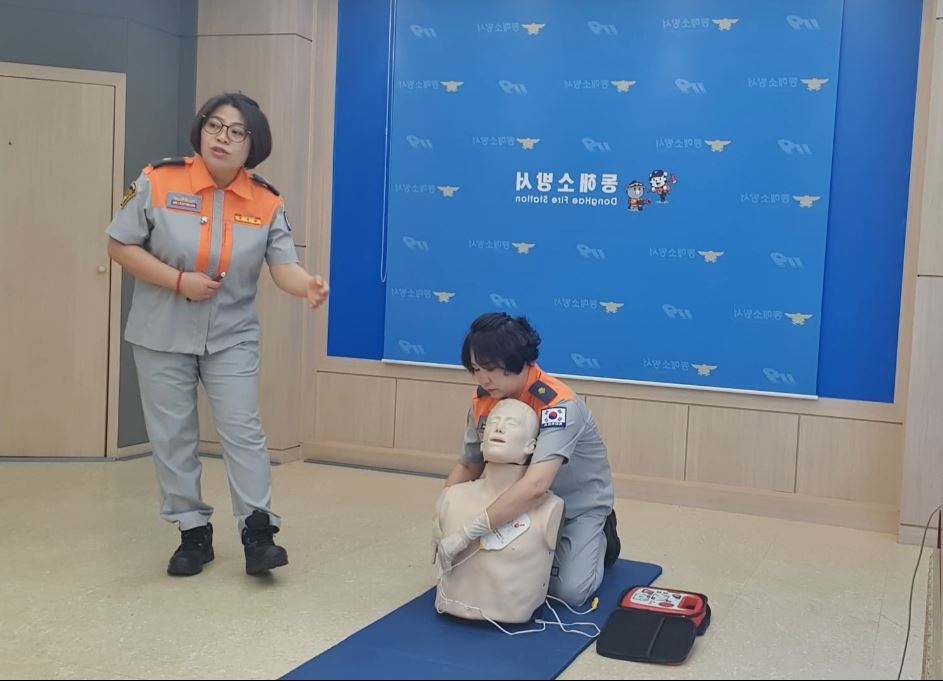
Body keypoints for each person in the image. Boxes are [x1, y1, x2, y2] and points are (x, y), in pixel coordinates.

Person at [105, 92, 329, 576]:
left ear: (253, 144)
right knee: (173, 436)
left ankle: (258, 531)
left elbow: (283, 266)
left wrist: (306, 285)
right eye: (214, 126)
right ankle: (192, 531)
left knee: (243, 432)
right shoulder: (159, 181)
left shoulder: (266, 201)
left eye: (236, 131)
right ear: (201, 130)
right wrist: (177, 280)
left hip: (230, 335)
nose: (222, 138)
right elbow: (119, 245)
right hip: (161, 333)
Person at [437, 313, 620, 606]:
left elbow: (536, 485)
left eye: (490, 369)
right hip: (515, 502)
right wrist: (443, 516)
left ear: (519, 361)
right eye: (476, 369)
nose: (482, 379)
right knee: (483, 575)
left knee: (569, 592)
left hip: (575, 506)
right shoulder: (483, 399)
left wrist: (469, 532)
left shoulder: (558, 405)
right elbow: (470, 464)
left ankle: (601, 535)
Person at [434, 399, 564, 623]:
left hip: (512, 617)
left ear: (531, 446)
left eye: (511, 424)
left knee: (572, 589)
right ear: (481, 441)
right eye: (493, 422)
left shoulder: (549, 507)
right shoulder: (452, 497)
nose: (499, 428)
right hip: (448, 609)